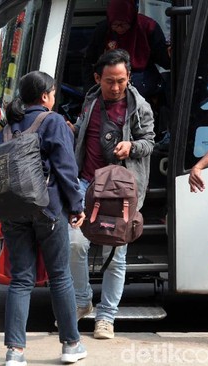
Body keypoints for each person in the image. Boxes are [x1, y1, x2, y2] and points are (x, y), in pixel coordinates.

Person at [0, 72, 87, 366]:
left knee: (21, 278)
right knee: (60, 276)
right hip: (48, 209)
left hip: (12, 210)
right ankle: (71, 345)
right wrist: (76, 206)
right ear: (47, 95)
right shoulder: (53, 121)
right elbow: (65, 169)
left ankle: (15, 352)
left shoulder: (8, 127)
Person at [69, 49, 155, 340]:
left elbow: (149, 142)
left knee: (115, 256)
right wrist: (72, 130)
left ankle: (106, 317)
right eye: (109, 81)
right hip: (86, 183)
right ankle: (83, 300)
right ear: (98, 78)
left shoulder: (140, 107)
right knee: (74, 244)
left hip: (120, 191)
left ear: (129, 76)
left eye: (121, 80)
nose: (116, 87)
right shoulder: (90, 101)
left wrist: (132, 147)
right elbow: (82, 131)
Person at [82, 0, 170, 100]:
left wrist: (169, 54)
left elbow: (162, 58)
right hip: (111, 75)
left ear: (132, 20)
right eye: (115, 25)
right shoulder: (103, 30)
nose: (119, 29)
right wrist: (90, 91)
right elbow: (90, 61)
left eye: (123, 24)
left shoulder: (147, 27)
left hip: (142, 76)